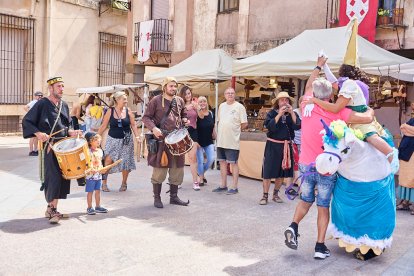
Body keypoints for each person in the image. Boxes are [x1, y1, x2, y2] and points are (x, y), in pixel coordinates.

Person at [284, 56, 375, 259]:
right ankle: (319, 247)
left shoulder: (307, 105)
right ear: (331, 95)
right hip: (326, 166)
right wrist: (369, 110)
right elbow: (366, 118)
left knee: (305, 200)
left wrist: (318, 66)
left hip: (306, 165)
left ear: (314, 94)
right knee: (323, 206)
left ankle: (293, 225)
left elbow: (308, 84)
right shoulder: (339, 112)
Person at [309, 64, 398, 173]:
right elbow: (333, 82)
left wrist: (314, 100)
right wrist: (325, 66)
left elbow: (336, 107)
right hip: (355, 116)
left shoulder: (349, 85)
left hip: (357, 115)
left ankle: (391, 155)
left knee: (370, 136)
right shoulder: (355, 84)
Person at [22, 76, 83, 224]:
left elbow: (66, 126)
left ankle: (54, 208)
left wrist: (71, 132)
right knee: (53, 178)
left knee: (63, 178)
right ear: (50, 88)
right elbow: (27, 121)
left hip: (63, 146)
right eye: (58, 86)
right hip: (50, 146)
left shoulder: (64, 105)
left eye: (62, 86)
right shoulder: (42, 104)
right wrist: (38, 133)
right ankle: (50, 209)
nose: (62, 89)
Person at [142, 77, 190, 208]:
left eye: (175, 86)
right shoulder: (155, 101)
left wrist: (185, 119)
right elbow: (146, 117)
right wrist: (154, 128)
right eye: (171, 86)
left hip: (177, 141)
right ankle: (157, 198)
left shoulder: (179, 100)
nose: (173, 88)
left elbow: (183, 112)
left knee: (177, 170)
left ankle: (173, 197)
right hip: (161, 141)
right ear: (164, 87)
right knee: (160, 171)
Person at [259, 92, 301, 205]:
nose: (284, 102)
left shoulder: (291, 114)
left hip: (285, 146)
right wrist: (279, 115)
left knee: (281, 173)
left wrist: (291, 113)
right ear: (277, 102)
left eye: (286, 100)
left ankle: (276, 194)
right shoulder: (272, 113)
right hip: (272, 146)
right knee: (267, 172)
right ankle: (265, 196)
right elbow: (269, 127)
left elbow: (298, 126)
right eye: (282, 100)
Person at [97, 91, 139, 192]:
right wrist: (96, 136)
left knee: (125, 162)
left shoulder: (128, 110)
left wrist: (137, 136)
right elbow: (103, 125)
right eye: (124, 99)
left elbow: (133, 124)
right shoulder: (110, 111)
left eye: (126, 99)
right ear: (117, 100)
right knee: (108, 161)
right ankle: (104, 184)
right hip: (113, 140)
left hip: (127, 141)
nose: (126, 101)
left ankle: (124, 183)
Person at [213, 87, 248, 195]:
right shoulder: (222, 106)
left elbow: (245, 123)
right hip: (221, 140)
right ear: (224, 95)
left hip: (232, 141)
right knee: (222, 163)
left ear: (235, 95)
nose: (230, 95)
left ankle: (234, 187)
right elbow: (219, 121)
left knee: (233, 164)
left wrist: (235, 131)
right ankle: (223, 185)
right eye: (228, 93)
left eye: (232, 93)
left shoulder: (239, 107)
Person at [178, 86, 200, 190]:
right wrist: (186, 109)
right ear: (182, 95)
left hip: (193, 131)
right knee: (179, 158)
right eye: (186, 94)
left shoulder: (195, 104)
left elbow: (201, 117)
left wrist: (198, 108)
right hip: (182, 133)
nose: (188, 95)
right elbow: (175, 116)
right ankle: (176, 181)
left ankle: (195, 182)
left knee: (192, 158)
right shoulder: (179, 105)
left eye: (189, 93)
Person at [84, 132, 108, 215]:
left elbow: (100, 162)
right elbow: (85, 164)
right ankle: (89, 207)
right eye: (96, 140)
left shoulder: (100, 151)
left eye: (99, 140)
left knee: (98, 191)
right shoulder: (87, 151)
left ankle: (98, 206)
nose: (98, 141)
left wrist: (102, 169)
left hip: (98, 175)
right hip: (90, 176)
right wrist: (90, 169)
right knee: (90, 192)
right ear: (90, 142)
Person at [196, 96, 216, 186]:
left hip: (209, 140)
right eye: (200, 102)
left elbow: (213, 125)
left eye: (204, 101)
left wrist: (215, 133)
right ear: (198, 103)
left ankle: (200, 173)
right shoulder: (196, 114)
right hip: (199, 141)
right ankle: (201, 179)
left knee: (211, 159)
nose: (202, 103)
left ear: (206, 103)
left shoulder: (211, 113)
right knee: (200, 161)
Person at [396, 118, 414, 214]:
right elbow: (402, 128)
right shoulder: (412, 120)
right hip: (407, 151)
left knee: (412, 178)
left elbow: (405, 127)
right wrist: (408, 128)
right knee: (404, 178)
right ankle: (405, 201)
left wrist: (407, 128)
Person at [24, 91, 43, 156]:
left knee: (36, 137)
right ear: (35, 96)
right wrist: (30, 114)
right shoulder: (34, 102)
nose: (40, 96)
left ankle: (35, 150)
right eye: (38, 95)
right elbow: (25, 107)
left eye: (41, 95)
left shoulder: (39, 103)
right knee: (32, 137)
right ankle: (31, 151)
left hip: (36, 121)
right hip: (32, 121)